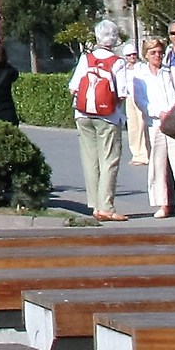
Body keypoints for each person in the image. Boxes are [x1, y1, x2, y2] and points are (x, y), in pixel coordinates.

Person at [133, 34, 175, 220]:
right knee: (158, 164)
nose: (157, 56)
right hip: (155, 123)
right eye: (153, 52)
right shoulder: (139, 75)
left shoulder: (170, 72)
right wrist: (157, 112)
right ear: (146, 54)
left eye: (160, 52)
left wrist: (173, 110)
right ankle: (163, 204)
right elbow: (140, 100)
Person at [69, 20, 128, 221]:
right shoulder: (118, 62)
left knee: (89, 160)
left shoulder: (86, 58)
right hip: (108, 116)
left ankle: (94, 204)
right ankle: (106, 207)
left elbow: (73, 87)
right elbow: (121, 93)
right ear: (114, 38)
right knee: (109, 160)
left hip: (83, 115)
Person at [115, 37, 149, 166]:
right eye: (129, 55)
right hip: (129, 99)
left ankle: (144, 154)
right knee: (133, 128)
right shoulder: (123, 69)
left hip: (141, 98)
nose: (132, 57)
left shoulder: (142, 67)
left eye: (134, 55)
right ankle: (136, 154)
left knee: (142, 126)